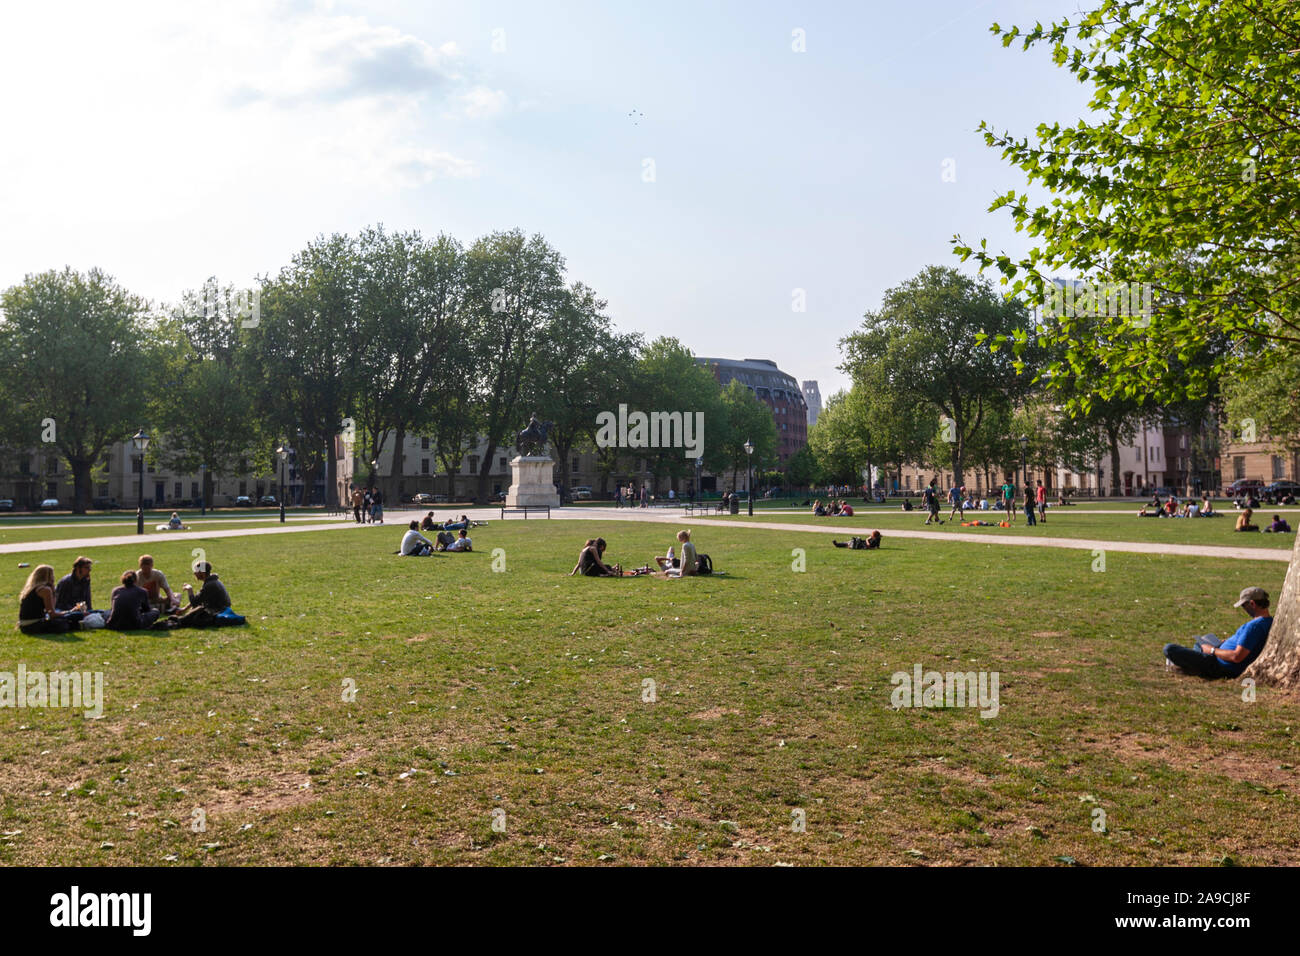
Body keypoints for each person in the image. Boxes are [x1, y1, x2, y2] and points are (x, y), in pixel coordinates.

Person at [1163, 587, 1273, 678]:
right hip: (1221, 658)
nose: (1244, 609)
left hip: (1221, 666)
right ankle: (1193, 661)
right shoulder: (1269, 621)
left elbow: (1236, 657)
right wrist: (1226, 643)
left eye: (1244, 606)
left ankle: (1189, 664)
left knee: (1169, 649)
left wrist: (1212, 650)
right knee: (1199, 644)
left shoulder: (1253, 627)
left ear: (1252, 604)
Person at [163, 561, 232, 628]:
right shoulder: (211, 581)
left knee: (197, 613)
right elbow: (198, 599)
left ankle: (178, 620)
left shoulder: (210, 585)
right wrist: (184, 609)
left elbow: (194, 603)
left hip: (219, 612)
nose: (194, 573)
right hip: (219, 609)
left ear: (202, 572)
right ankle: (180, 619)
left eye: (196, 571)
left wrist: (190, 590)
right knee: (196, 611)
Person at [17, 564, 75, 635]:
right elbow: (52, 614)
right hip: (33, 625)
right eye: (52, 575)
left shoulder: (32, 589)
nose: (54, 577)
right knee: (68, 619)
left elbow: (51, 610)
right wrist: (70, 611)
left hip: (24, 625)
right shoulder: (45, 590)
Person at [54, 556, 95, 622]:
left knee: (100, 612)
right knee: (77, 616)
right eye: (86, 567)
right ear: (78, 568)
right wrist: (75, 610)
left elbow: (87, 599)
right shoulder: (67, 581)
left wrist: (89, 611)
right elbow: (61, 603)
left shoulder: (85, 580)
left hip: (81, 610)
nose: (90, 570)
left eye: (90, 567)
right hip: (67, 611)